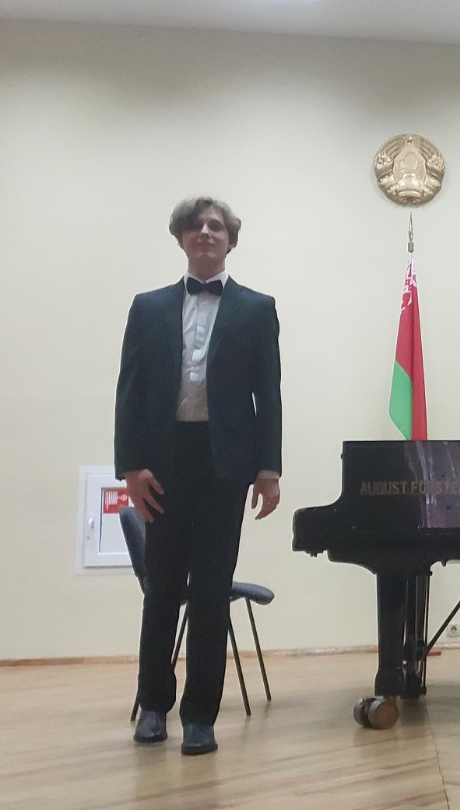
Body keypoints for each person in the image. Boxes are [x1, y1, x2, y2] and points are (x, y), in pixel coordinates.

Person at [116, 197, 282, 755]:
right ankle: (153, 708)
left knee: (211, 591)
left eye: (216, 226)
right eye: (196, 225)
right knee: (161, 588)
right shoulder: (148, 307)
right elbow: (130, 390)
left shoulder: (258, 309)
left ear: (230, 239)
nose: (205, 232)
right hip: (163, 463)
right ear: (181, 238)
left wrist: (268, 469)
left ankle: (200, 717)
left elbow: (268, 395)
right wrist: (130, 467)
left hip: (225, 464)